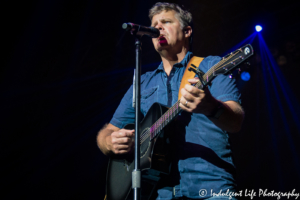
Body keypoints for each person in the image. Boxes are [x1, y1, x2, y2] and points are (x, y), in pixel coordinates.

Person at [97, 2, 244, 199]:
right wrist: (109, 142)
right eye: (154, 24)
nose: (158, 27)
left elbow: (236, 121)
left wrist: (211, 106)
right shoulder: (142, 82)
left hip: (210, 188)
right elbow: (108, 131)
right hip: (156, 193)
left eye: (166, 22)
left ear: (187, 31)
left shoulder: (211, 66)